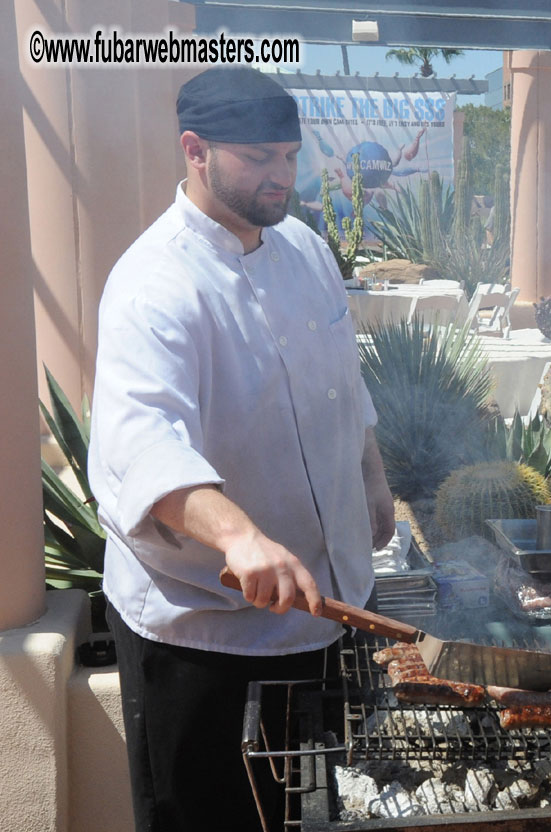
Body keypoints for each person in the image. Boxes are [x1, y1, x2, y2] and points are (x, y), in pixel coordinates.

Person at [88, 67, 395, 832]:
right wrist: (240, 536)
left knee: (315, 811)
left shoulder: (305, 249)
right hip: (210, 630)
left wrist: (373, 481)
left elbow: (344, 386)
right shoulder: (153, 282)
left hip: (329, 609)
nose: (280, 177)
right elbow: (141, 441)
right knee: (212, 817)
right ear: (195, 150)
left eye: (289, 156)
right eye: (258, 158)